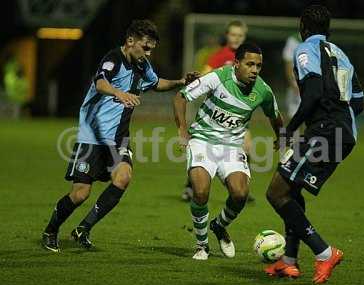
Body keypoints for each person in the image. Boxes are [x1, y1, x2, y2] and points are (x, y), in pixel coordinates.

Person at [42, 20, 199, 252]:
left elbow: (156, 83)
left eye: (151, 49)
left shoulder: (141, 64)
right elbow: (100, 82)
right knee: (80, 194)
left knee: (123, 177)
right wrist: (119, 93)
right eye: (145, 47)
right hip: (92, 136)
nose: (148, 53)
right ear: (130, 41)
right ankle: (50, 231)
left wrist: (179, 82)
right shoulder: (113, 59)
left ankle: (83, 228)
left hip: (118, 138)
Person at [264, 5, 364, 284]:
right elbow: (359, 102)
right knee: (291, 188)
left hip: (324, 131)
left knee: (276, 192)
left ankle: (324, 252)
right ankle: (289, 262)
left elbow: (312, 95)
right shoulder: (341, 54)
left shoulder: (305, 49)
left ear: (302, 26)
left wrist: (289, 131)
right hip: (344, 133)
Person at [174, 43, 284, 260]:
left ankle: (219, 225)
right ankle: (202, 245)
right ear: (236, 64)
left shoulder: (263, 90)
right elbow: (181, 97)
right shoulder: (218, 77)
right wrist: (183, 131)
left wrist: (281, 136)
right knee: (201, 191)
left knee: (240, 194)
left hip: (232, 146)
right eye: (249, 64)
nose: (254, 69)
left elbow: (275, 115)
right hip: (202, 141)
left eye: (258, 66)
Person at [182, 20, 256, 203]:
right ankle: (191, 187)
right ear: (227, 35)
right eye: (233, 34)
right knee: (205, 149)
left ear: (244, 37)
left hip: (237, 116)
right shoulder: (220, 56)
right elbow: (206, 75)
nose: (236, 38)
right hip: (216, 115)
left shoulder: (249, 59)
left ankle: (243, 187)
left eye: (240, 35)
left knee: (247, 146)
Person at [282, 34, 301, 118]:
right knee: (291, 115)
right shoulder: (293, 40)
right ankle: (283, 131)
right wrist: (293, 84)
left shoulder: (318, 40)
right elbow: (288, 64)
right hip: (296, 83)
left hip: (311, 84)